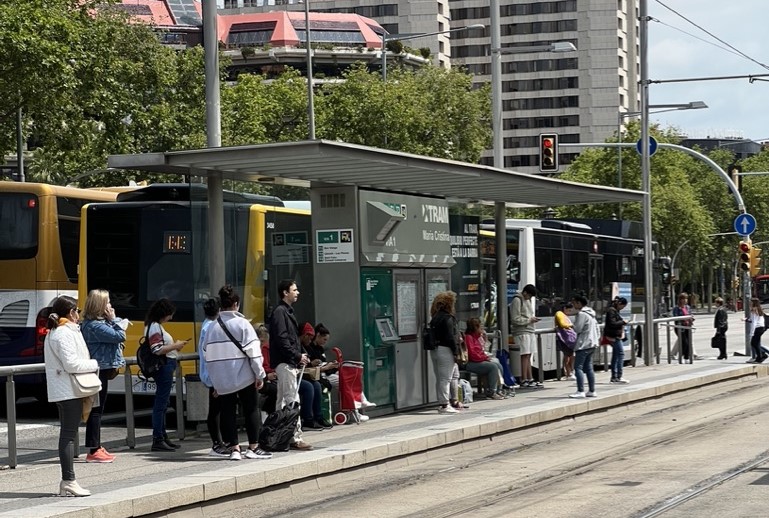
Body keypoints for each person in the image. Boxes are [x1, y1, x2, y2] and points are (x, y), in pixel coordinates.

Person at [203, 285, 272, 460]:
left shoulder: (212, 327)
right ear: (236, 303)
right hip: (244, 376)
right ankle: (253, 447)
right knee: (250, 409)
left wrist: (215, 381)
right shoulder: (243, 324)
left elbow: (207, 356)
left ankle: (234, 449)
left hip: (222, 378)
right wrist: (260, 375)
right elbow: (254, 353)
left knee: (227, 412)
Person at [44, 295, 99, 497]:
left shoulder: (59, 331)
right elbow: (72, 364)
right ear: (71, 312)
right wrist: (94, 364)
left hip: (66, 388)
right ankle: (68, 480)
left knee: (68, 434)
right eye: (78, 310)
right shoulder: (63, 333)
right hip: (68, 389)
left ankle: (68, 481)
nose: (79, 314)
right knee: (68, 435)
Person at [79, 289, 127, 463]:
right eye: (107, 303)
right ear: (99, 306)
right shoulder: (94, 326)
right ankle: (93, 449)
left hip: (101, 370)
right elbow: (120, 335)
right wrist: (114, 319)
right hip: (97, 371)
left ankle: (96, 446)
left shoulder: (98, 323)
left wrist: (113, 321)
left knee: (97, 409)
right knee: (96, 410)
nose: (110, 306)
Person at [268, 279, 313, 450]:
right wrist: (296, 355)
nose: (297, 292)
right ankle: (295, 437)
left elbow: (290, 338)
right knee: (292, 399)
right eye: (294, 290)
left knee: (281, 401)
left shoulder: (285, 311)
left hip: (287, 361)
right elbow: (282, 338)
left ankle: (279, 435)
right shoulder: (281, 312)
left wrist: (301, 354)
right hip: (285, 362)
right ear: (285, 293)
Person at [144, 298, 187, 452]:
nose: (171, 318)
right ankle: (158, 438)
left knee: (163, 402)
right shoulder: (155, 327)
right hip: (163, 367)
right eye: (170, 314)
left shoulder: (153, 325)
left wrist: (174, 347)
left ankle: (162, 436)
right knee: (161, 403)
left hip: (165, 366)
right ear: (165, 313)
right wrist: (175, 346)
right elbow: (157, 349)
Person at [310, 323, 376, 417]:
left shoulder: (319, 349)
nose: (325, 342)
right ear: (318, 335)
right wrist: (328, 366)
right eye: (324, 339)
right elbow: (318, 365)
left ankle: (360, 402)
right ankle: (356, 408)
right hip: (322, 375)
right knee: (345, 383)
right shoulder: (312, 349)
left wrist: (330, 365)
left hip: (326, 373)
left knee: (349, 380)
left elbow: (322, 363)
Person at [197, 297, 229, 458]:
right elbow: (211, 355)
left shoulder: (207, 326)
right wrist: (216, 380)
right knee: (216, 410)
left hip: (212, 374)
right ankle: (217, 443)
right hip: (214, 375)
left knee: (218, 409)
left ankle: (221, 442)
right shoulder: (211, 328)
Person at [429, 291, 462, 414]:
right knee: (446, 378)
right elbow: (450, 337)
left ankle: (452, 401)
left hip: (435, 349)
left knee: (446, 377)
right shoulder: (448, 318)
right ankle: (444, 404)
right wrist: (455, 351)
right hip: (446, 349)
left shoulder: (435, 317)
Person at [298, 323, 332, 430]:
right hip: (295, 375)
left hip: (303, 374)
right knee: (308, 387)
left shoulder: (305, 347)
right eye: (310, 338)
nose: (310, 341)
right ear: (304, 336)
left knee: (316, 385)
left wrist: (311, 364)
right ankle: (307, 419)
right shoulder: (297, 346)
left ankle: (318, 417)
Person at [464, 317, 505, 400]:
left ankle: (498, 389)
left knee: (498, 364)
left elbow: (481, 350)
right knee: (492, 367)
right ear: (475, 327)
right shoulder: (469, 338)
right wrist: (484, 358)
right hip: (471, 362)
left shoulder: (477, 338)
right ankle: (491, 391)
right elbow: (472, 354)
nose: (482, 329)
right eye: (480, 327)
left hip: (478, 360)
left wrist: (485, 356)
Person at [509, 284, 542, 388]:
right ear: (525, 293)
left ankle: (529, 378)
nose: (529, 298)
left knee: (528, 355)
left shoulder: (527, 300)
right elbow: (515, 319)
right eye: (529, 296)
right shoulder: (517, 300)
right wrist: (529, 320)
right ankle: (523, 379)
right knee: (524, 355)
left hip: (529, 330)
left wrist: (532, 319)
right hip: (521, 331)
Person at [569, 294, 599, 399]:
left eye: (574, 303)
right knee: (589, 368)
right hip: (592, 343)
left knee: (578, 367)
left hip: (583, 344)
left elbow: (577, 329)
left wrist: (571, 325)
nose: (572, 306)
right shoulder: (591, 313)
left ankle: (580, 390)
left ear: (578, 303)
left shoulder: (582, 314)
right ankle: (591, 390)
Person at [604, 296, 629, 384]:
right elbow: (612, 323)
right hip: (614, 336)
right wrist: (623, 322)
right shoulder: (612, 310)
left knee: (615, 355)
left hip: (613, 335)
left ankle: (614, 377)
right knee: (620, 354)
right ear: (620, 304)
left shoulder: (613, 310)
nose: (622, 308)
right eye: (623, 306)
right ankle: (618, 376)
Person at [554, 302, 575, 380]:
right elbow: (562, 324)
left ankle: (569, 372)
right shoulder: (559, 314)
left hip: (567, 337)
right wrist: (571, 325)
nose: (569, 313)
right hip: (564, 338)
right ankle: (568, 373)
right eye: (569, 310)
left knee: (570, 355)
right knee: (567, 355)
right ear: (565, 308)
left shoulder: (563, 315)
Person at [671, 293, 695, 361]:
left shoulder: (687, 307)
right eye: (683, 299)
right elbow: (675, 317)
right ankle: (682, 355)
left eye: (686, 299)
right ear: (680, 300)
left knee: (688, 342)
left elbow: (690, 314)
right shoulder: (676, 308)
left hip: (687, 326)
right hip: (680, 327)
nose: (685, 300)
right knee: (684, 342)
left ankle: (686, 357)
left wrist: (691, 318)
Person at [745, 297, 767, 364]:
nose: (749, 304)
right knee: (756, 343)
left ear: (753, 303)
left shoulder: (754, 310)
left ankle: (760, 357)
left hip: (757, 328)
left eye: (751, 303)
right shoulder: (759, 309)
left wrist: (752, 333)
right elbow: (754, 320)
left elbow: (754, 322)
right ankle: (761, 355)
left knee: (754, 343)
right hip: (761, 327)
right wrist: (746, 320)